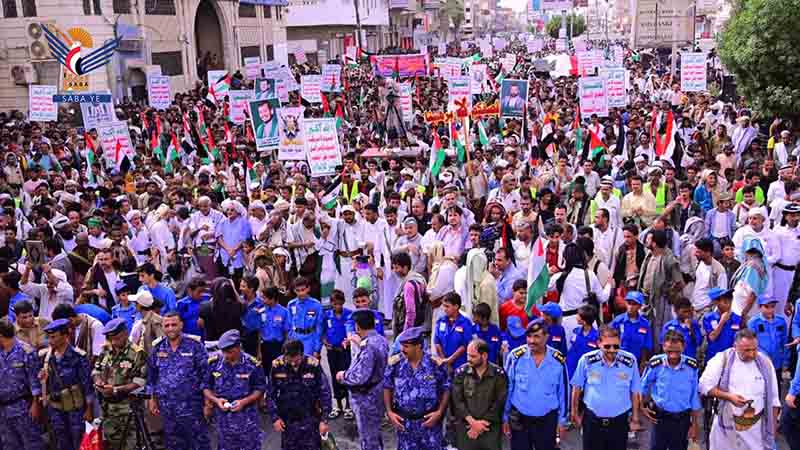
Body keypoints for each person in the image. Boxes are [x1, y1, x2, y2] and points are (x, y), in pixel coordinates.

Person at [699, 329, 781, 449]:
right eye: (747, 350)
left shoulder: (765, 363)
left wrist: (772, 431)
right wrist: (728, 397)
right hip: (726, 428)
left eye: (754, 349)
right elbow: (704, 386)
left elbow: (774, 400)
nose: (751, 354)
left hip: (756, 430)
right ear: (735, 346)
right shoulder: (722, 359)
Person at [146, 312, 211, 450]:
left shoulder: (195, 345)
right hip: (168, 408)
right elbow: (152, 376)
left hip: (192, 407)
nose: (170, 328)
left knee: (198, 443)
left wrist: (208, 404)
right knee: (173, 444)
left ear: (181, 325)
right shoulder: (158, 347)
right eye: (167, 325)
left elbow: (206, 376)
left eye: (174, 325)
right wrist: (152, 399)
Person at [570, 325, 642, 450]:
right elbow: (576, 387)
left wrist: (635, 418)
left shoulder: (630, 361)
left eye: (616, 346)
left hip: (619, 422)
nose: (612, 350)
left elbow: (635, 391)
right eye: (607, 346)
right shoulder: (586, 360)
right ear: (599, 343)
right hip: (592, 421)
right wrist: (574, 412)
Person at [503, 319, 568, 450]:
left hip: (547, 420)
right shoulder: (515, 357)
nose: (531, 341)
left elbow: (564, 392)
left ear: (546, 337)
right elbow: (507, 389)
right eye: (529, 336)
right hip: (520, 419)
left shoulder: (558, 360)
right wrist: (504, 417)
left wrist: (562, 422)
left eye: (536, 336)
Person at [383, 326, 450, 450]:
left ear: (418, 346)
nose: (402, 349)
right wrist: (389, 412)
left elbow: (446, 388)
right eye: (402, 345)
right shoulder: (395, 364)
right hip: (405, 425)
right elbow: (387, 386)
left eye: (406, 346)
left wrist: (440, 412)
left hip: (429, 424)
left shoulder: (434, 364)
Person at [203, 329, 266, 450]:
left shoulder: (252, 364)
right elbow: (206, 387)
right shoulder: (214, 363)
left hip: (247, 418)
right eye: (224, 352)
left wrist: (244, 402)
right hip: (223, 419)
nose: (226, 356)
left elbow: (260, 388)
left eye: (230, 352)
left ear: (239, 347)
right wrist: (216, 400)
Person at [337, 309, 390, 450]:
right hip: (377, 393)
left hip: (367, 398)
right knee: (374, 434)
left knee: (368, 438)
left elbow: (360, 377)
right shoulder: (380, 339)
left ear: (357, 326)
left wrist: (343, 375)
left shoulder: (368, 346)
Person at [640, 330, 702, 450]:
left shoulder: (691, 367)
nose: (673, 355)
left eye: (677, 351)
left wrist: (694, 424)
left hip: (682, 419)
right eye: (669, 351)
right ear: (663, 347)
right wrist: (642, 407)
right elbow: (643, 386)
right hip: (660, 417)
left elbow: (694, 397)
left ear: (683, 347)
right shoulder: (656, 363)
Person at [91, 318, 147, 450]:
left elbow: (140, 382)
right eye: (111, 339)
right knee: (110, 445)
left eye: (117, 338)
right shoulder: (106, 350)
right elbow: (96, 370)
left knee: (130, 446)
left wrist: (116, 390)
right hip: (107, 410)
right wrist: (98, 381)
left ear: (126, 333)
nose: (114, 342)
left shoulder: (137, 354)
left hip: (128, 411)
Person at [266, 339, 332, 450]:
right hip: (288, 421)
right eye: (289, 360)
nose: (292, 364)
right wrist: (275, 418)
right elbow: (270, 394)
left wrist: (324, 420)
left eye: (296, 361)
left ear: (302, 354)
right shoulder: (277, 366)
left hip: (311, 419)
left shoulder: (313, 365)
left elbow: (325, 392)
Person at [40, 318, 93, 450]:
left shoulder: (78, 357)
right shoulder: (47, 357)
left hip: (75, 409)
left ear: (65, 336)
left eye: (54, 337)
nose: (50, 341)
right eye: (49, 337)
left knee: (78, 442)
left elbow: (87, 385)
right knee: (61, 442)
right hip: (56, 409)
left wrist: (89, 409)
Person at [0, 318, 45, 450]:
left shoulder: (26, 351)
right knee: (10, 446)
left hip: (23, 407)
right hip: (3, 410)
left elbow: (35, 381)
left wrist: (35, 404)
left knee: (32, 444)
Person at [322, 290, 352, 419]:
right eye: (335, 304)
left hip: (345, 351)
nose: (337, 306)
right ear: (331, 303)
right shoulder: (327, 315)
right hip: (332, 351)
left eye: (340, 304)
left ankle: (348, 406)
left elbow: (353, 331)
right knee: (335, 376)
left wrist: (350, 341)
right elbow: (322, 331)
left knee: (346, 376)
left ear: (343, 302)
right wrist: (325, 342)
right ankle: (338, 405)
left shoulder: (349, 314)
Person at [747, 294, 789, 383]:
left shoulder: (781, 321)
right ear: (759, 307)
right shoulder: (753, 322)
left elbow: (785, 342)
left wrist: (785, 361)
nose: (770, 310)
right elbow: (751, 343)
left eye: (772, 306)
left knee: (776, 385)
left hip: (777, 362)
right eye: (766, 307)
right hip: (760, 362)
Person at [434, 292, 473, 372]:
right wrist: (444, 361)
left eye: (447, 306)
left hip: (460, 364)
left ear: (456, 306)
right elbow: (437, 342)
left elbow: (464, 345)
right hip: (443, 364)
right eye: (443, 306)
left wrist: (450, 360)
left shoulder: (465, 323)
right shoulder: (441, 321)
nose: (444, 309)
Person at [287, 276, 324, 358]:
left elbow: (319, 327)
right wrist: (290, 339)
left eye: (303, 290)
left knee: (308, 363)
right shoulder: (291, 304)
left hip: (310, 339)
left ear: (308, 289)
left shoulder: (316, 305)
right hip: (295, 338)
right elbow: (289, 325)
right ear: (294, 290)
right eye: (298, 290)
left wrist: (317, 348)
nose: (301, 293)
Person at [702, 287, 741, 364]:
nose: (729, 303)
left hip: (731, 359)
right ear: (716, 302)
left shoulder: (736, 317)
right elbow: (712, 337)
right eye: (725, 301)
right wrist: (722, 321)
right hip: (714, 358)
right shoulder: (709, 318)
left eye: (730, 299)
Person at [260, 286, 291, 375]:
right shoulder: (261, 311)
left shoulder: (284, 312)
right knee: (266, 371)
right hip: (265, 346)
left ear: (272, 298)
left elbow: (287, 331)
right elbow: (259, 331)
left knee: (279, 371)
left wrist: (285, 347)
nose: (262, 300)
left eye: (264, 298)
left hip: (278, 346)